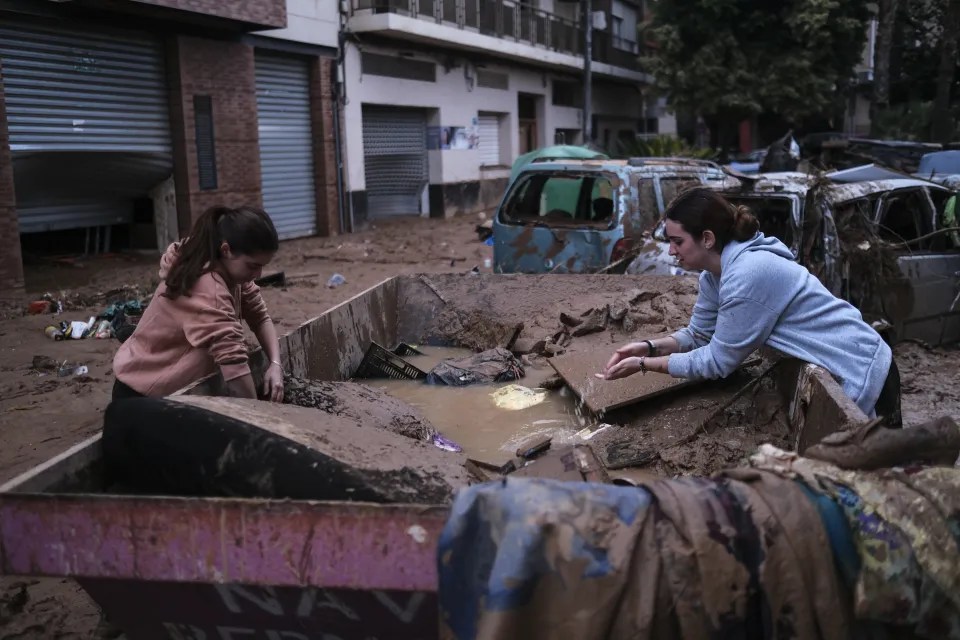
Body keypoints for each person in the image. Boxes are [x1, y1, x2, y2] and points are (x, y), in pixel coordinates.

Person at [599, 187, 902, 426]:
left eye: (677, 241)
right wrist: (649, 347)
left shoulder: (748, 274)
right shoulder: (713, 277)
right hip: (846, 363)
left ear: (706, 238)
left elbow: (718, 362)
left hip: (863, 368)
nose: (671, 251)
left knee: (884, 483)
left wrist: (643, 367)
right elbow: (699, 335)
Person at [112, 205, 285, 402]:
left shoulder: (229, 270)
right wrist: (258, 420)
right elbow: (233, 364)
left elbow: (260, 316)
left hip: (154, 377)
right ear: (226, 250)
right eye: (253, 266)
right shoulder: (208, 289)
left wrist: (275, 364)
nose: (258, 275)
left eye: (262, 266)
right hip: (145, 393)